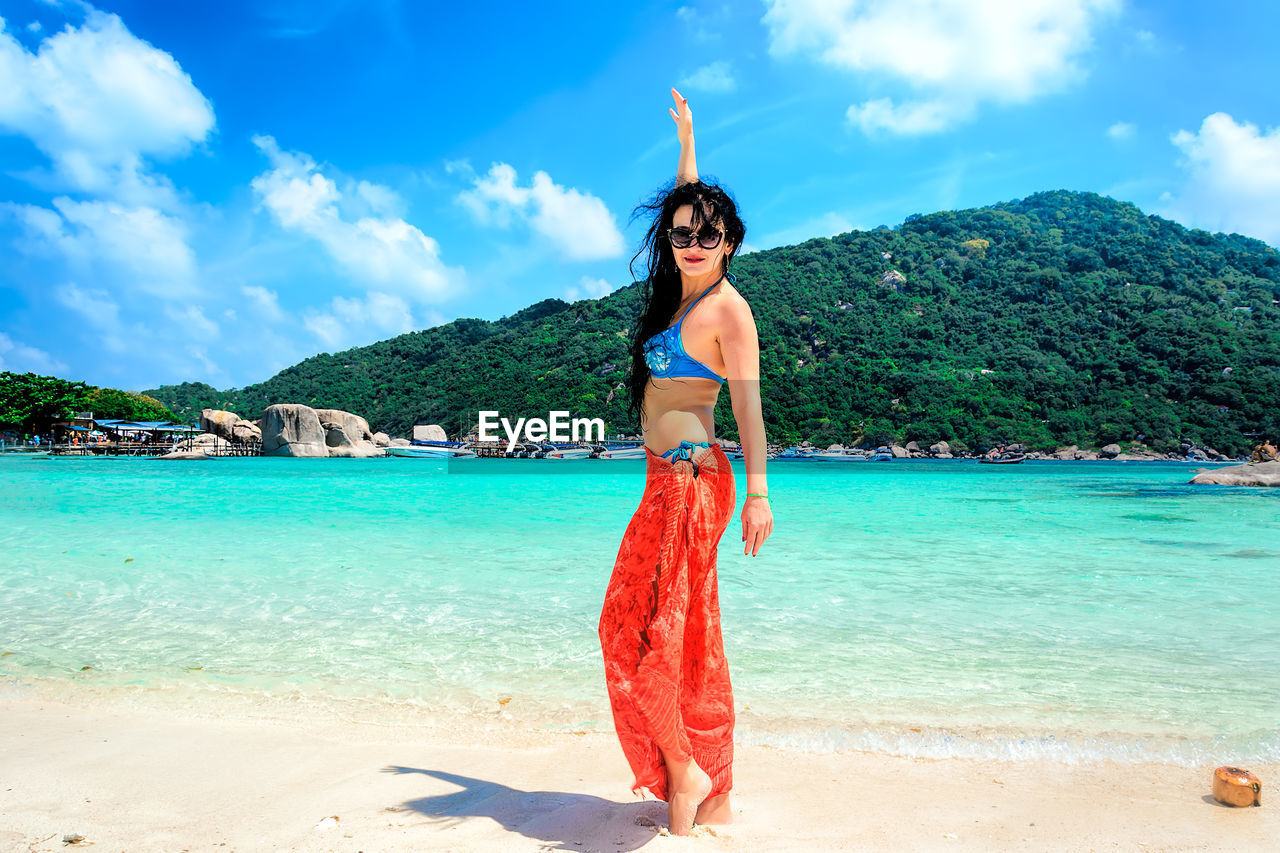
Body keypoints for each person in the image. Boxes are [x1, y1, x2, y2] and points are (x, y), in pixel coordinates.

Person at [598, 88, 773, 836]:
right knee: (634, 629)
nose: (693, 242)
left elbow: (748, 408)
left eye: (708, 234)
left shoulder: (730, 309)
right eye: (681, 234)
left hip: (695, 482)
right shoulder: (677, 295)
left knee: (664, 638)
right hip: (658, 482)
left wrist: (760, 492)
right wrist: (689, 142)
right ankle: (706, 784)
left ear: (729, 239)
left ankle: (689, 771)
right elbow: (683, 199)